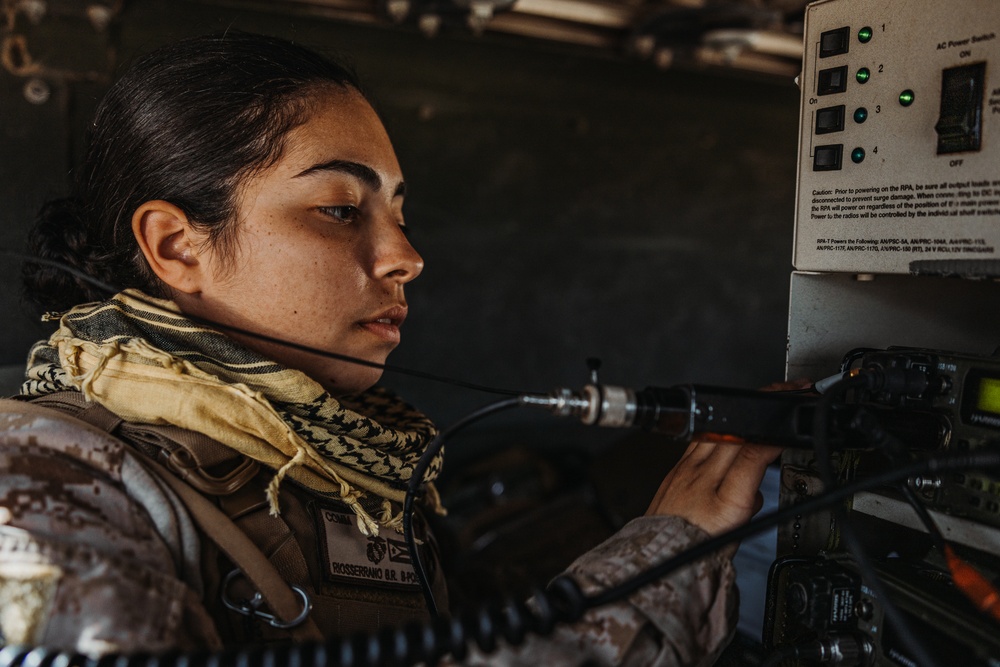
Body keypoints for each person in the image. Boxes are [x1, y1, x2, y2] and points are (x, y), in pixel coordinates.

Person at [0, 32, 779, 665]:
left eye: (399, 210)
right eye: (340, 208)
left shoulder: (348, 459)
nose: (406, 255)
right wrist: (663, 563)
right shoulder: (42, 485)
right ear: (176, 246)